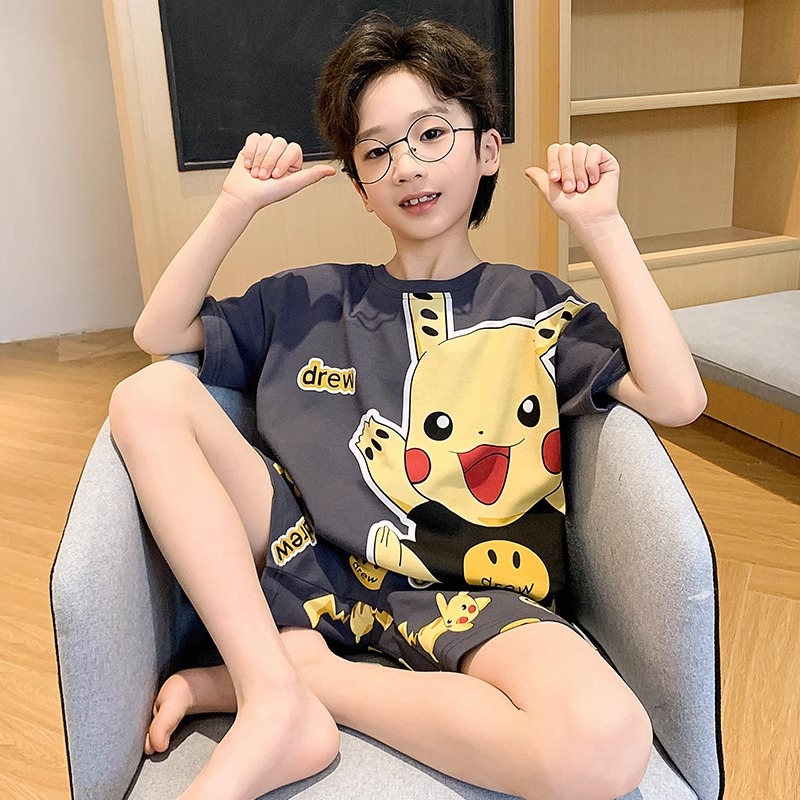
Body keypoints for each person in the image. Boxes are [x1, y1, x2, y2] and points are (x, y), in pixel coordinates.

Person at [108, 12, 706, 800]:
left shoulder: (533, 307)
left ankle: (293, 685)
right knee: (147, 394)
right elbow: (159, 334)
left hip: (482, 600)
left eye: (431, 134)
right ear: (359, 185)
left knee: (604, 743)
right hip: (313, 571)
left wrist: (601, 225)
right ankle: (271, 687)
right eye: (377, 151)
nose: (407, 167)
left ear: (488, 150)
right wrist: (235, 204)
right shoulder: (308, 299)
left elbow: (676, 397)